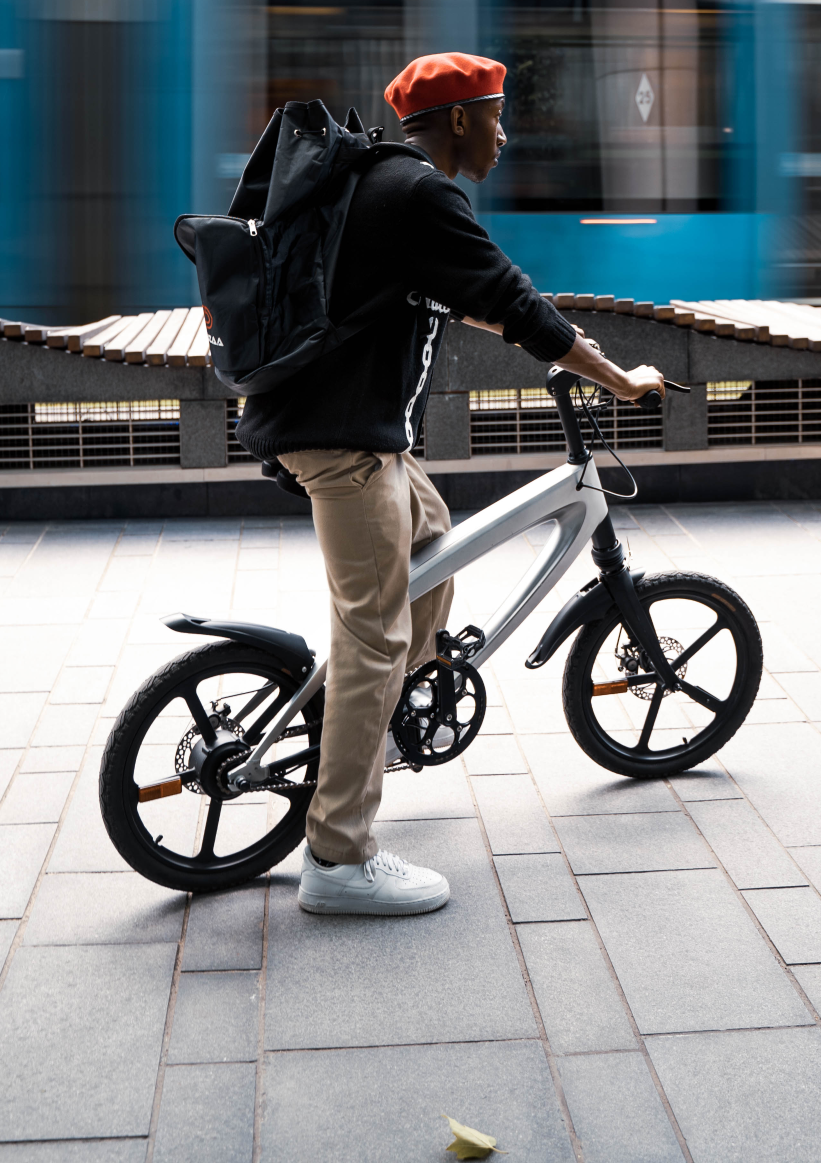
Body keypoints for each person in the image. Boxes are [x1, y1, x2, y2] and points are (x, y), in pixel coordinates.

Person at [235, 52, 664, 916]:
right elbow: (514, 297)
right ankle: (339, 858)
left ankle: (383, 729)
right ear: (461, 119)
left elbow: (446, 290)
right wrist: (619, 380)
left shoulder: (379, 186)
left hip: (355, 431)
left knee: (434, 544)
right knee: (374, 636)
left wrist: (506, 321)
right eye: (497, 117)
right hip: (343, 441)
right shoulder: (421, 193)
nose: (505, 134)